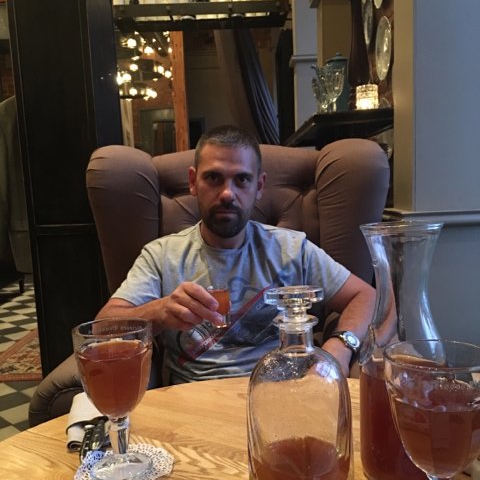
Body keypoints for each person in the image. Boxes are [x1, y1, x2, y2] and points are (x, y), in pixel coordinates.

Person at [96, 125, 376, 383]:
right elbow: (102, 329)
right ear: (193, 182)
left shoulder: (292, 248)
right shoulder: (162, 255)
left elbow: (365, 296)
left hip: (284, 393)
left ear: (259, 187)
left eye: (242, 179)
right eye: (213, 178)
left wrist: (340, 347)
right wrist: (157, 312)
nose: (228, 194)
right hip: (192, 399)